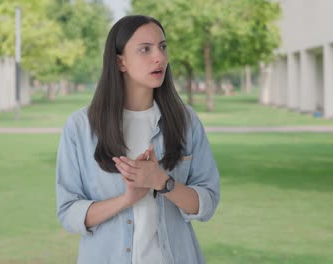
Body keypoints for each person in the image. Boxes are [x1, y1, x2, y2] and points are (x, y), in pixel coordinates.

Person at [56, 15, 220, 264]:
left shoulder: (186, 120)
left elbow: (207, 202)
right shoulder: (80, 127)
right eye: (145, 49)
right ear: (120, 62)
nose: (159, 57)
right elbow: (69, 213)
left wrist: (162, 182)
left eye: (162, 47)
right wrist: (126, 199)